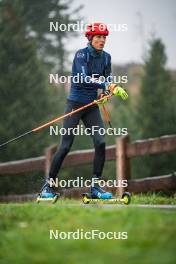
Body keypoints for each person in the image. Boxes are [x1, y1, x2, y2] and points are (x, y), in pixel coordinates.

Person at [39, 22, 128, 200]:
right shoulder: (81, 55)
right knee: (65, 146)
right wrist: (107, 85)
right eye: (98, 37)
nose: (102, 40)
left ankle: (95, 187)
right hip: (75, 105)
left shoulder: (107, 57)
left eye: (104, 37)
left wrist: (105, 92)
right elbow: (84, 78)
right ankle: (47, 187)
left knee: (101, 142)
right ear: (90, 38)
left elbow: (107, 75)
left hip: (91, 106)